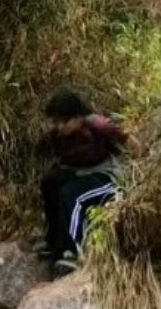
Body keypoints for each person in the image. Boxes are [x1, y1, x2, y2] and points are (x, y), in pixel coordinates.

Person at [39, 88, 126, 271]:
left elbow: (128, 140)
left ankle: (72, 251)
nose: (60, 127)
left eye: (65, 121)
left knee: (72, 195)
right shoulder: (56, 135)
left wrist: (137, 176)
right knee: (50, 182)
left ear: (78, 117)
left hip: (105, 175)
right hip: (77, 172)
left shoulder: (98, 126)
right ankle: (54, 241)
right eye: (56, 122)